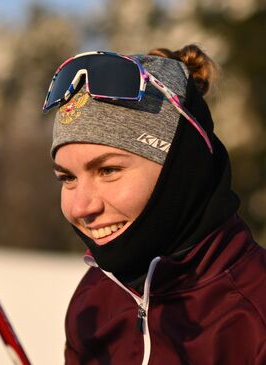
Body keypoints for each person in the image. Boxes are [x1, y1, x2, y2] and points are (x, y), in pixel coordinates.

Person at [42, 44, 266, 364]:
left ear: (181, 169)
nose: (80, 207)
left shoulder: (254, 314)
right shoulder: (96, 297)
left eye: (108, 170)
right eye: (68, 178)